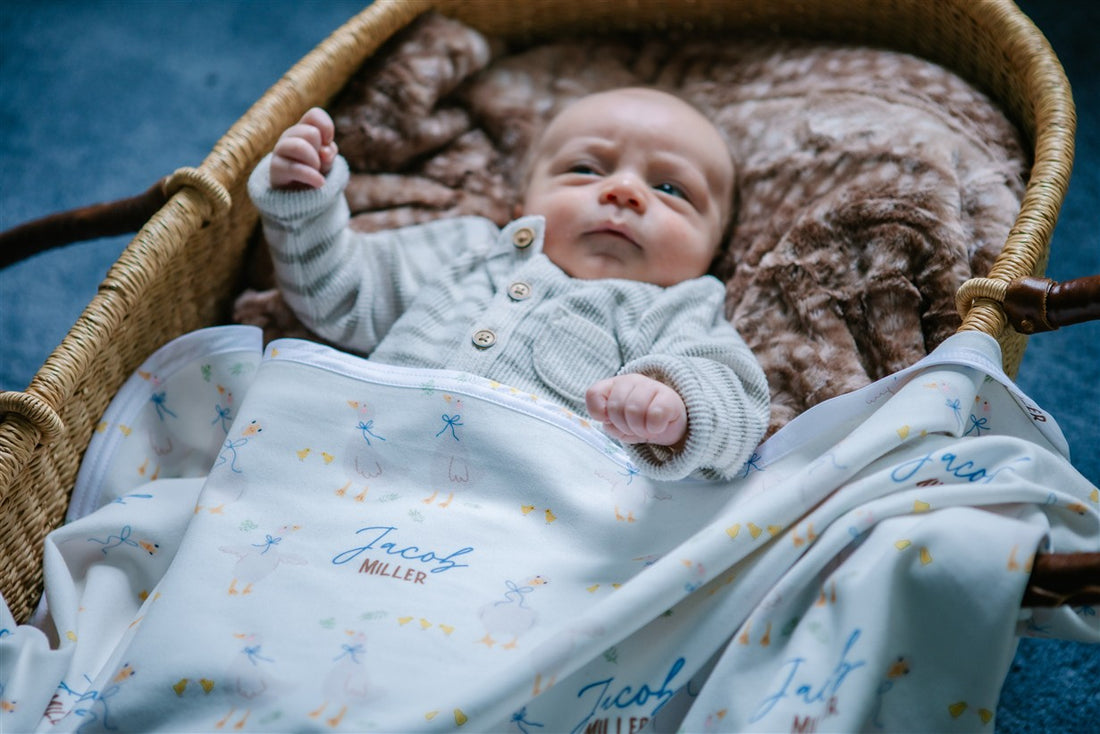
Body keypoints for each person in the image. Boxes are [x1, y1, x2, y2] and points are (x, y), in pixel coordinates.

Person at [248, 87, 769, 479]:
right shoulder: (471, 249)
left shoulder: (679, 307)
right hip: (355, 468)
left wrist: (676, 408)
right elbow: (338, 294)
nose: (624, 191)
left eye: (670, 187)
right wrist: (304, 204)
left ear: (714, 250)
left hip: (523, 523)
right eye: (586, 169)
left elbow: (742, 404)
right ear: (523, 206)